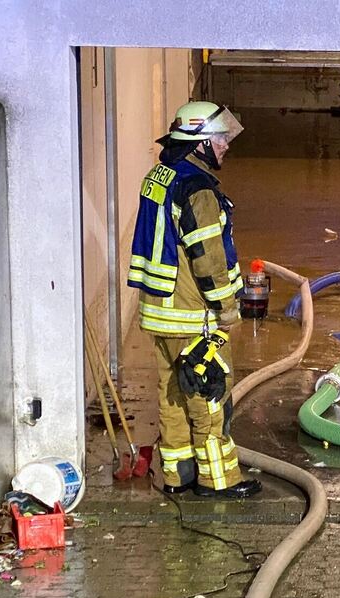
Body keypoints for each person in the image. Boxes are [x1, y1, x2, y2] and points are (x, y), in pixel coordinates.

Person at [127, 100, 261, 499]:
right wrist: (228, 307)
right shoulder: (198, 189)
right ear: (199, 143)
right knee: (209, 396)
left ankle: (177, 476)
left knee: (172, 395)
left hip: (159, 313)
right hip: (192, 317)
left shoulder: (160, 174)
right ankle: (218, 481)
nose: (225, 147)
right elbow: (208, 258)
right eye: (219, 139)